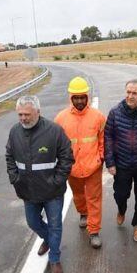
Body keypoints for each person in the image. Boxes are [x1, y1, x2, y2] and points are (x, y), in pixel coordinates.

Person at [6, 95, 74, 273]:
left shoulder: (54, 131)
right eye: (20, 114)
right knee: (32, 222)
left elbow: (67, 157)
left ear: (38, 112)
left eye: (27, 114)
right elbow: (9, 156)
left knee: (55, 225)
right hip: (27, 190)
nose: (23, 118)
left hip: (52, 191)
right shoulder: (15, 132)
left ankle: (54, 259)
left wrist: (57, 180)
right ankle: (48, 240)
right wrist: (15, 178)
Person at [54, 76, 106, 248]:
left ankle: (94, 231)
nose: (79, 101)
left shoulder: (98, 116)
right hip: (72, 167)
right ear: (71, 98)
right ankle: (83, 213)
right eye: (75, 97)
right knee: (78, 195)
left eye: (82, 97)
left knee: (94, 199)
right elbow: (57, 143)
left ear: (87, 96)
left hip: (93, 166)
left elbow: (103, 140)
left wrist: (100, 157)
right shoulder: (61, 118)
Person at [104, 79, 137, 242]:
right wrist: (110, 162)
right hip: (122, 164)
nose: (130, 96)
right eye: (128, 92)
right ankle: (121, 210)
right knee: (121, 194)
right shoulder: (115, 112)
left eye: (134, 93)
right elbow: (108, 138)